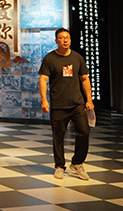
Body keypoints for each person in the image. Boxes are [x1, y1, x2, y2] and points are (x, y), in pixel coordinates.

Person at [39, 28, 95, 180]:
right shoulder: (49, 59)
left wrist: (89, 100)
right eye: (61, 38)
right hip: (59, 104)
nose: (65, 40)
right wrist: (44, 99)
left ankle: (77, 163)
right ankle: (59, 166)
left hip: (77, 103)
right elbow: (43, 79)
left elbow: (85, 79)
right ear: (56, 41)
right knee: (58, 136)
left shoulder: (77, 57)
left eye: (67, 38)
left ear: (70, 40)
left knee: (84, 132)